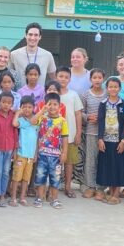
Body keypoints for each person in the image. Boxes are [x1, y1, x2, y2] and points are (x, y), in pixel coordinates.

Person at [96, 77, 124, 205]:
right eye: (111, 87)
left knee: (119, 166)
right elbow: (100, 122)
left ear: (119, 89)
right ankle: (110, 191)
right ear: (107, 88)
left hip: (119, 141)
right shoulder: (103, 103)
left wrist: (123, 140)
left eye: (116, 87)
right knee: (108, 166)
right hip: (106, 140)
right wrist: (100, 138)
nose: (113, 89)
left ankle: (116, 193)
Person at [33, 92, 69, 209]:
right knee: (41, 177)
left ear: (60, 106)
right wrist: (42, 111)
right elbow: (32, 121)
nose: (52, 107)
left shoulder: (62, 121)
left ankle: (54, 199)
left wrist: (64, 153)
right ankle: (39, 198)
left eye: (55, 104)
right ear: (45, 105)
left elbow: (65, 138)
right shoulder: (42, 118)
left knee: (55, 178)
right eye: (50, 104)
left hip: (56, 156)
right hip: (42, 154)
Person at [55, 67, 83, 198]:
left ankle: (68, 186)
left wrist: (78, 133)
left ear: (70, 79)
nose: (63, 79)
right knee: (53, 161)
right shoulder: (52, 94)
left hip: (70, 135)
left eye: (66, 77)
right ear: (56, 77)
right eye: (61, 76)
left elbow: (78, 114)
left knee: (69, 162)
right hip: (53, 136)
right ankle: (53, 187)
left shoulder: (73, 95)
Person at [81, 68, 107, 199]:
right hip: (91, 132)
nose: (97, 80)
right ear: (90, 79)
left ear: (103, 79)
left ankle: (101, 188)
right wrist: (88, 117)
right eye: (94, 78)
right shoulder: (86, 94)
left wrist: (103, 118)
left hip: (106, 134)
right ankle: (90, 186)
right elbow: (81, 112)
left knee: (102, 160)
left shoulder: (108, 94)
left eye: (99, 77)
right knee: (90, 159)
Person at [10, 95, 38, 206]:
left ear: (34, 108)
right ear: (21, 107)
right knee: (16, 176)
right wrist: (17, 113)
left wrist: (35, 153)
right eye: (24, 107)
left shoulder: (36, 121)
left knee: (26, 177)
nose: (27, 109)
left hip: (30, 155)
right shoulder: (21, 120)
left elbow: (37, 139)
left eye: (29, 107)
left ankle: (22, 197)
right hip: (21, 153)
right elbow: (14, 124)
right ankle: (13, 198)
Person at [0, 91, 16, 206]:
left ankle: (2, 195)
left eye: (9, 103)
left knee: (6, 172)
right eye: (4, 102)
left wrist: (15, 148)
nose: (6, 105)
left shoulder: (13, 116)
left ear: (12, 104)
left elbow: (15, 132)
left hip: (9, 148)